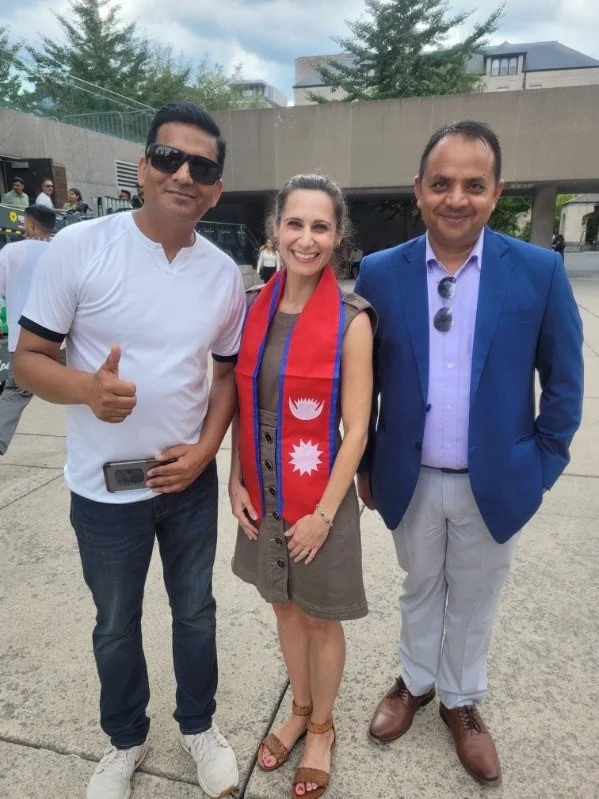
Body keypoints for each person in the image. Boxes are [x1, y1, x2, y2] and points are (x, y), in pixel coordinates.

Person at [14, 102, 245, 799]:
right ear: (143, 168)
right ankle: (124, 739)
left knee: (195, 610)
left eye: (201, 166)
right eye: (169, 158)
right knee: (115, 622)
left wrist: (206, 450)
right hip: (103, 487)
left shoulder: (222, 275)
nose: (183, 174)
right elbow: (28, 359)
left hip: (187, 485)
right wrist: (85, 387)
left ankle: (199, 725)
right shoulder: (79, 249)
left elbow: (228, 373)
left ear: (216, 188)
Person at [356, 120, 583, 788]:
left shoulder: (537, 271)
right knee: (419, 587)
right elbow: (361, 383)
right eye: (441, 183)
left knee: (476, 596)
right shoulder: (379, 270)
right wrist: (367, 463)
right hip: (409, 476)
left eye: (473, 185)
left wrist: (539, 466)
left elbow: (563, 381)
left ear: (496, 192)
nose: (456, 197)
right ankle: (416, 682)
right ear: (418, 190)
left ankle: (460, 700)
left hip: (498, 478)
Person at [230, 174, 375, 799]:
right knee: (283, 607)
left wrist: (321, 512)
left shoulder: (352, 319)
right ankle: (296, 707)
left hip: (323, 497)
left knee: (319, 618)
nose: (306, 239)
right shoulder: (253, 306)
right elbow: (240, 401)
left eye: (320, 227)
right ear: (275, 231)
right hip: (261, 487)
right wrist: (234, 477)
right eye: (295, 224)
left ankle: (320, 726)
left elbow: (357, 429)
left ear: (337, 237)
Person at [0, 205, 55, 455]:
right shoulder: (61, 249)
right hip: (62, 339)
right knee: (85, 390)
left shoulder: (11, 251)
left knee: (15, 394)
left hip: (23, 341)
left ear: (30, 225)